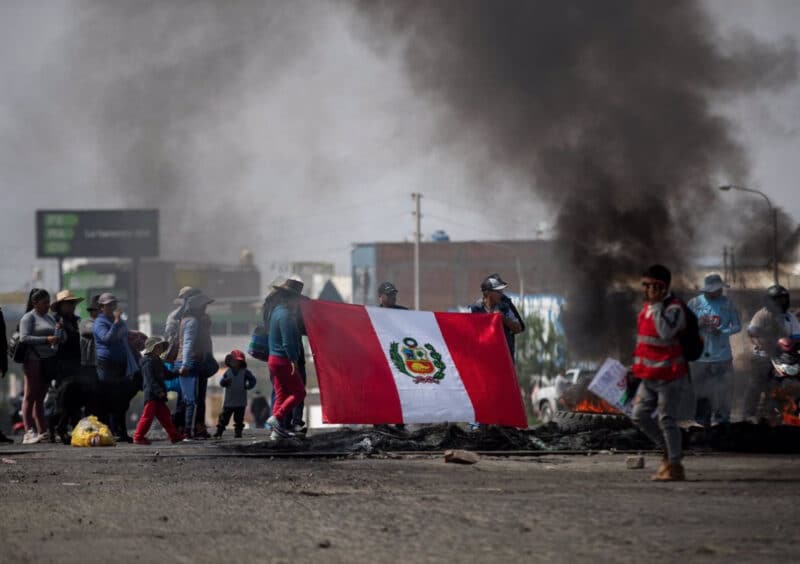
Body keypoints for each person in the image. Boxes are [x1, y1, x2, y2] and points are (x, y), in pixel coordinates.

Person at [631, 264, 688, 482]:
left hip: (670, 376)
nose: (644, 289)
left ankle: (674, 466)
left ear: (661, 286)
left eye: (648, 285)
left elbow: (665, 333)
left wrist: (656, 306)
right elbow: (644, 342)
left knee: (667, 419)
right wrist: (635, 368)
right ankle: (669, 449)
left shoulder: (674, 309)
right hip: (649, 376)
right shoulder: (647, 308)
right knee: (638, 415)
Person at [687, 274, 741, 426]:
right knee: (702, 392)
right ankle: (702, 423)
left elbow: (737, 326)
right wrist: (698, 324)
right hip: (700, 358)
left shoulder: (728, 303)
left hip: (723, 356)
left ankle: (723, 421)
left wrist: (722, 332)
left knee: (725, 391)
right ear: (707, 290)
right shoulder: (694, 303)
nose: (719, 292)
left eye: (720, 289)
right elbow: (684, 327)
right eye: (716, 289)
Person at [744, 285, 800, 421]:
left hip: (782, 359)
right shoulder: (762, 315)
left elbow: (797, 336)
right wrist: (766, 342)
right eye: (778, 300)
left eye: (783, 299)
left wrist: (791, 345)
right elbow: (752, 333)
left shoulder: (790, 317)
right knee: (755, 387)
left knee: (776, 388)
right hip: (762, 358)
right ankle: (748, 415)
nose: (781, 303)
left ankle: (774, 416)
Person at [19, 289, 65, 444]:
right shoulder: (29, 317)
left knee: (40, 397)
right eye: (45, 302)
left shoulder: (50, 318)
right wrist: (46, 339)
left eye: (48, 302)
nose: (48, 305)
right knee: (30, 395)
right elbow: (24, 338)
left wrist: (59, 332)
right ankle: (28, 431)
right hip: (33, 359)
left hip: (48, 360)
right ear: (35, 303)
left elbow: (60, 338)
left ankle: (42, 431)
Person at [265, 278, 307, 440]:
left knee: (281, 394)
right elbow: (288, 341)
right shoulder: (286, 315)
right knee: (299, 392)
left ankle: (277, 431)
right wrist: (293, 360)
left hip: (274, 359)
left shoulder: (275, 311)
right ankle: (277, 418)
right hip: (284, 360)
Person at [176, 292, 216, 439]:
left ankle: (190, 430)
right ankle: (189, 431)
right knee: (193, 400)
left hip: (192, 363)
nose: (205, 308)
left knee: (190, 399)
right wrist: (185, 364)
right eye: (204, 305)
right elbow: (187, 343)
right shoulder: (192, 321)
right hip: (192, 363)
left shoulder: (188, 320)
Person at [93, 293, 132, 442]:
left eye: (113, 304)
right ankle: (110, 430)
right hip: (107, 365)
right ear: (102, 307)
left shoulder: (119, 321)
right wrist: (115, 323)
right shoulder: (100, 322)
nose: (111, 307)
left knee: (121, 399)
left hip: (120, 364)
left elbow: (124, 335)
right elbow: (107, 338)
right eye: (108, 305)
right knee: (109, 398)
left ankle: (121, 431)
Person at [132, 337, 183, 445]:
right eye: (158, 346)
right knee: (147, 417)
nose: (160, 349)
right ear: (152, 348)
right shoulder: (148, 362)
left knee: (165, 416)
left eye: (161, 347)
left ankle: (174, 436)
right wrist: (159, 391)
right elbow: (150, 380)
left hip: (159, 396)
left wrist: (178, 372)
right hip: (152, 395)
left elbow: (167, 374)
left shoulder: (157, 361)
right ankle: (138, 437)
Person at [469, 274, 524, 362]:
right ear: (487, 292)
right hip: (484, 360)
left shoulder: (505, 306)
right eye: (498, 291)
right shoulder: (475, 309)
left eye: (501, 291)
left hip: (504, 359)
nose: (501, 294)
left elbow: (518, 328)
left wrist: (503, 319)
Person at [214, 350, 257, 439]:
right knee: (224, 418)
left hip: (240, 400)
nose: (236, 363)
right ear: (229, 361)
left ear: (242, 362)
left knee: (239, 419)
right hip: (229, 401)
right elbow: (221, 383)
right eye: (234, 361)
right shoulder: (227, 372)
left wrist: (248, 386)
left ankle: (238, 433)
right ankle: (219, 432)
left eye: (238, 361)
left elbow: (253, 380)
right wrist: (225, 382)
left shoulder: (245, 372)